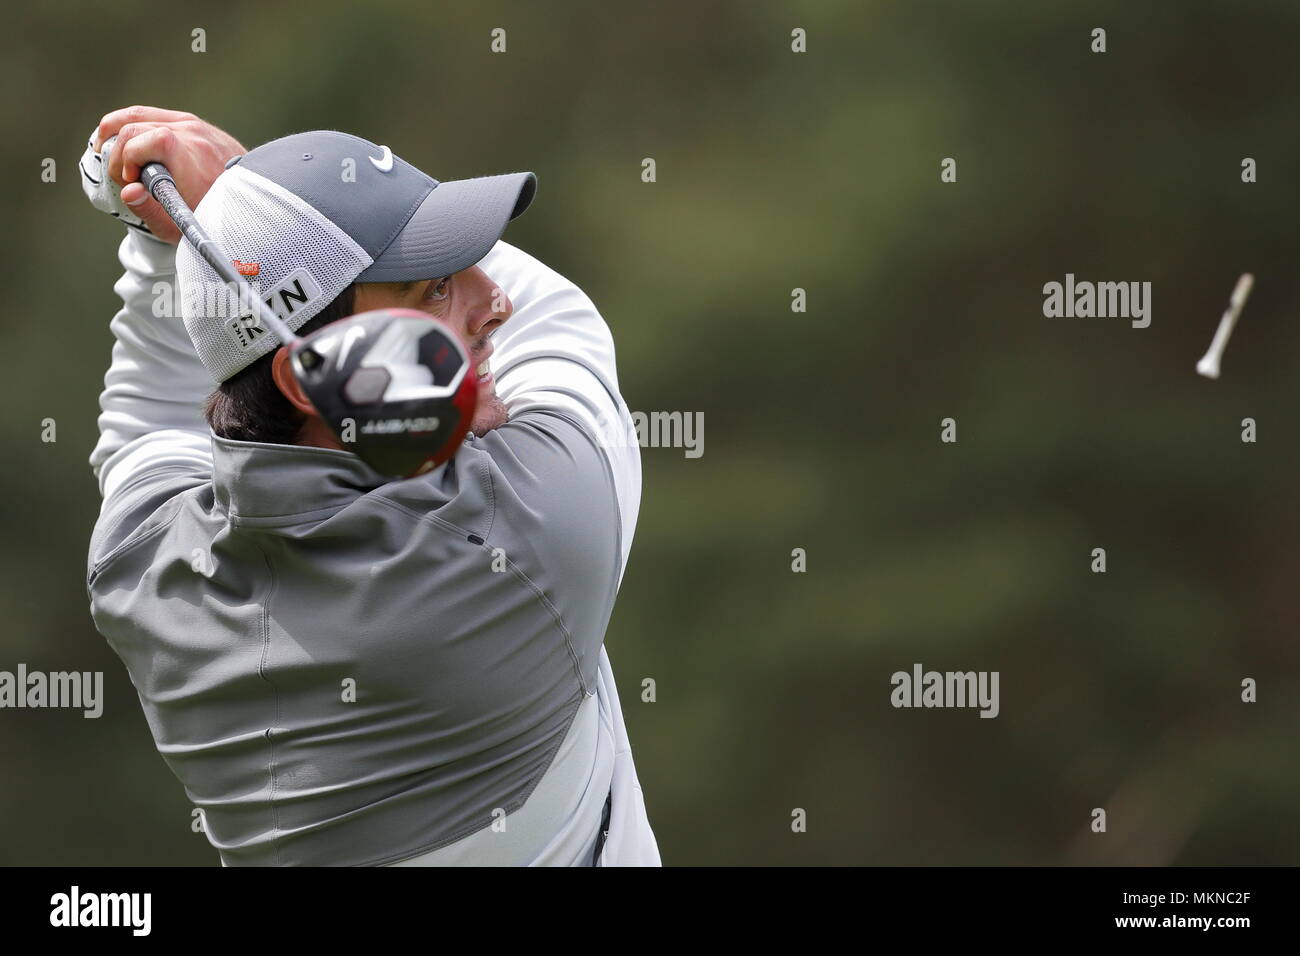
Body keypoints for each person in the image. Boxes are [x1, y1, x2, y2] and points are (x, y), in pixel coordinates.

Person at [81, 105, 660, 866]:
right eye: (434, 291)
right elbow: (558, 319)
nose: (495, 302)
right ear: (310, 374)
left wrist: (201, 236)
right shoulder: (528, 532)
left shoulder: (145, 570)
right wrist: (225, 197)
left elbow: (148, 429)